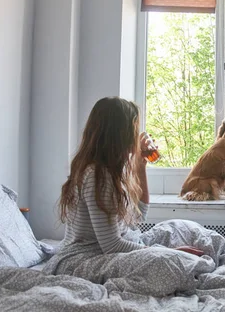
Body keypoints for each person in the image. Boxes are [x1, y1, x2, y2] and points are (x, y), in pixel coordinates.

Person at [58, 96, 203, 256]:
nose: (137, 135)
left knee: (183, 228)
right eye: (134, 128)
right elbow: (112, 246)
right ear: (121, 135)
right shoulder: (98, 176)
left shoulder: (112, 171)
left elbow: (137, 218)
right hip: (89, 257)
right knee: (177, 261)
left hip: (118, 247)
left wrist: (140, 167)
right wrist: (168, 252)